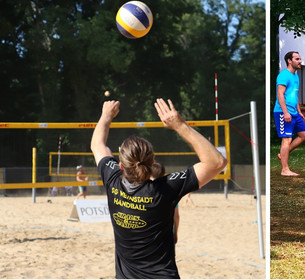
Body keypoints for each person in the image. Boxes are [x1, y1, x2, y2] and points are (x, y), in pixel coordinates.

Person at [91, 99, 227, 278]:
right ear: (153, 162)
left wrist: (106, 116)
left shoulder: (112, 180)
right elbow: (217, 162)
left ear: (121, 166)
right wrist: (180, 126)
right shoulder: (165, 189)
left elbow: (97, 145)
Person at [274, 51, 305, 177]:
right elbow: (280, 95)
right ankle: (285, 169)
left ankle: (283, 154)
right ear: (289, 61)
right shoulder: (283, 76)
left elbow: (295, 95)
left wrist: (299, 111)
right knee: (287, 139)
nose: (300, 61)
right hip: (283, 112)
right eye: (297, 59)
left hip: (294, 112)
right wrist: (285, 113)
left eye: (300, 59)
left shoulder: (296, 76)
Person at [150, 162, 180, 244]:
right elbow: (176, 216)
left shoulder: (144, 192)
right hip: (167, 233)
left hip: (149, 233)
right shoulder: (170, 193)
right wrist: (175, 232)